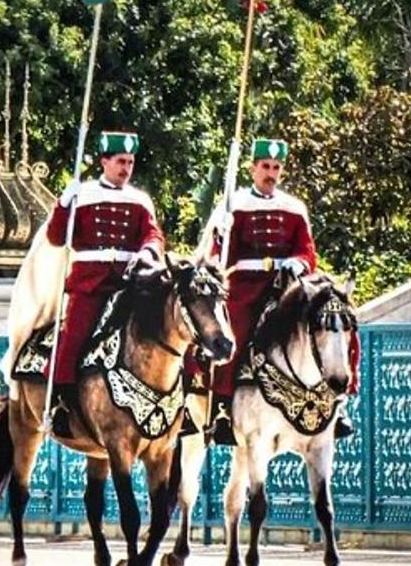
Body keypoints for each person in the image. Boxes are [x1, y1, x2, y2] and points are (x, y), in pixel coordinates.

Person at [193, 137, 356, 445]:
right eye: (265, 167)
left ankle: (339, 403)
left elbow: (307, 251)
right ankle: (223, 410)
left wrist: (297, 263)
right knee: (234, 336)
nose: (271, 173)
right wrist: (221, 232)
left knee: (335, 318)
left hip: (288, 287)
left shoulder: (294, 207)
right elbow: (217, 256)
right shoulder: (235, 204)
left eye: (276, 167)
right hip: (246, 287)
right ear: (253, 168)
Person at [45, 130, 164, 437]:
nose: (126, 168)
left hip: (130, 282)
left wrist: (149, 250)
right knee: (74, 336)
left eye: (131, 162)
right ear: (104, 162)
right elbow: (57, 238)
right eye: (121, 161)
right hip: (92, 283)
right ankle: (60, 402)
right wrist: (63, 203)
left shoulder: (139, 200)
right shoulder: (83, 195)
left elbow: (153, 234)